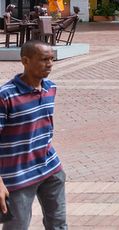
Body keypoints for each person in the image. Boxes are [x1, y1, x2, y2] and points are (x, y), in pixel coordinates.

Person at [0, 40, 67, 229]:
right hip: (17, 176)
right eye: (43, 59)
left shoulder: (50, 88)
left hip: (50, 169)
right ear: (25, 61)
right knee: (17, 226)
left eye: (51, 59)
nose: (49, 64)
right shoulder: (6, 96)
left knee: (59, 224)